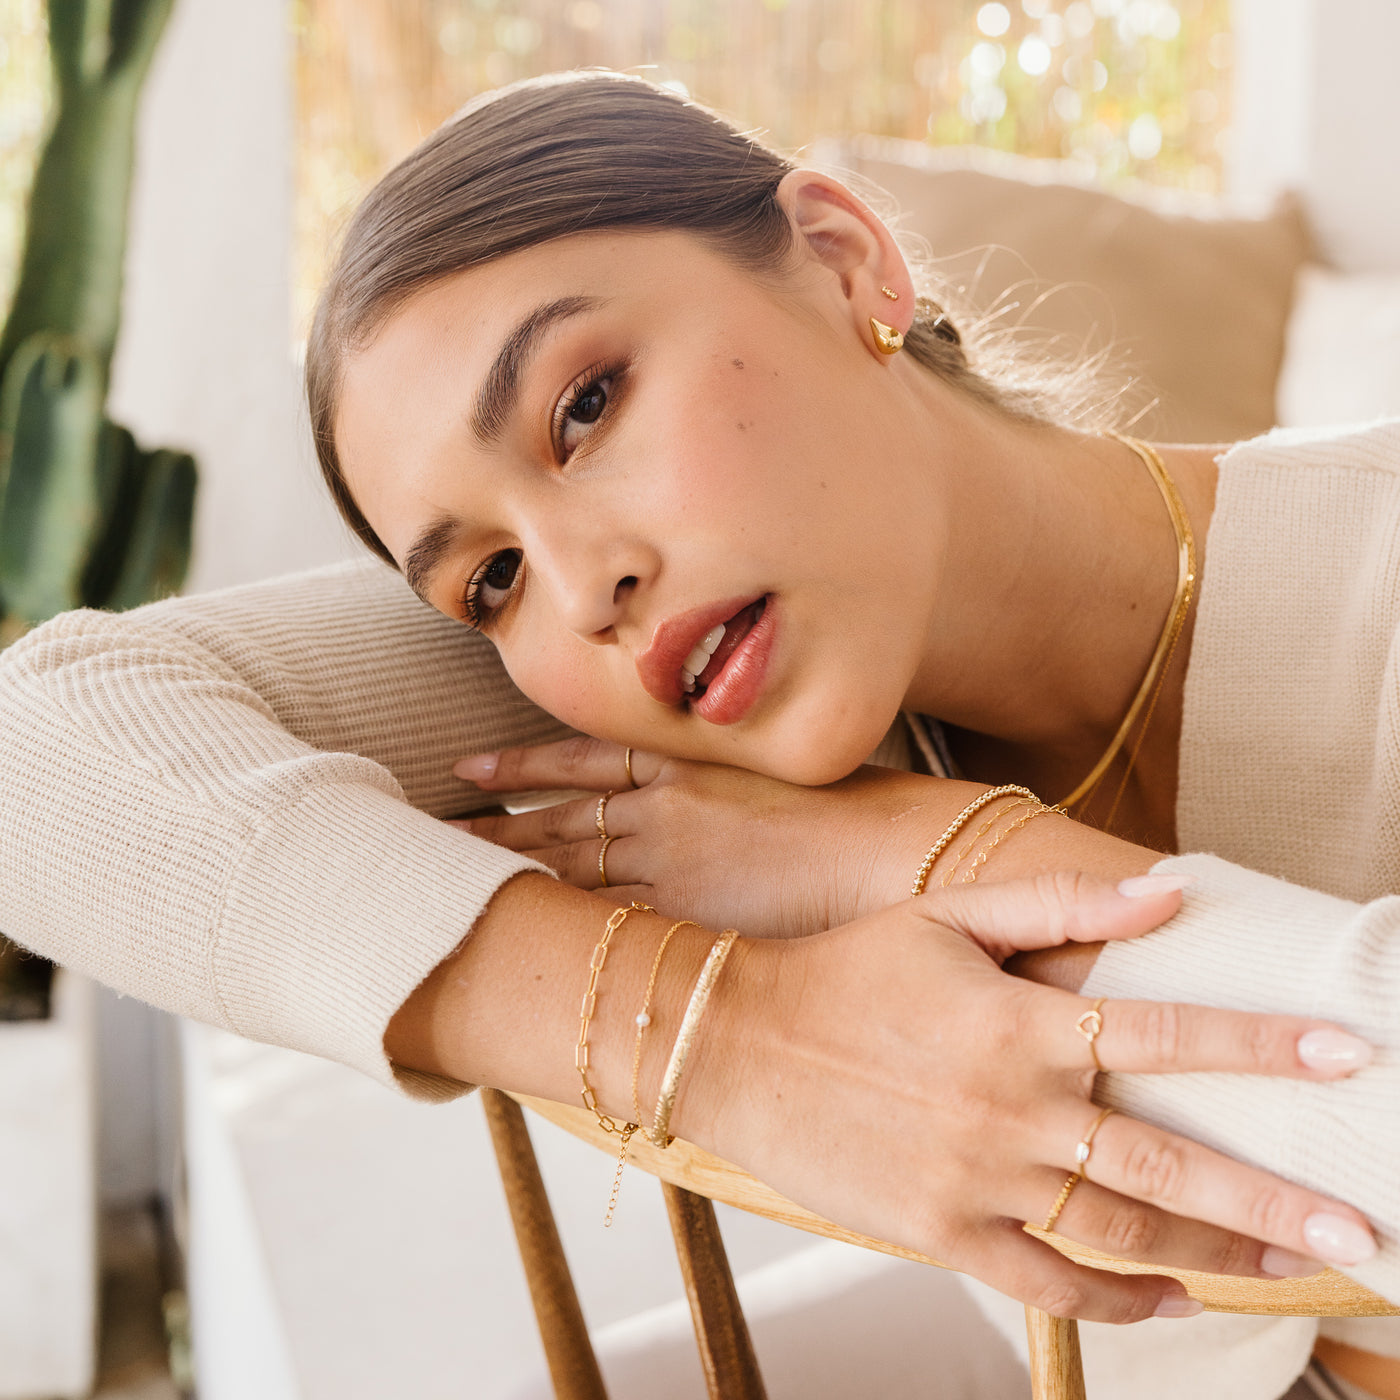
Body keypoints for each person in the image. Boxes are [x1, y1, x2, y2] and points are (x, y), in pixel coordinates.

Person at [1, 71, 1396, 1398]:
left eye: (587, 406)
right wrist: (727, 1036)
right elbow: (40, 750)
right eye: (486, 578)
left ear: (847, 263)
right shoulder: (665, 679)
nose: (580, 587)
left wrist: (925, 850)